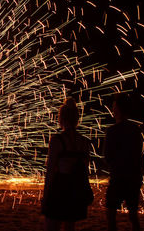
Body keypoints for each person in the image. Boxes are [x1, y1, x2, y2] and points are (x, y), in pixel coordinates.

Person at [42, 98, 92, 231]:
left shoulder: (57, 141)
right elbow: (84, 169)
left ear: (61, 118)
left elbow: (50, 171)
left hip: (60, 187)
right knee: (70, 226)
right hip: (75, 189)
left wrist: (45, 196)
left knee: (52, 226)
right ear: (77, 119)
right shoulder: (85, 142)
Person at [104, 94, 143, 231]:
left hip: (118, 178)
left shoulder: (112, 131)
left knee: (110, 213)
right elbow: (138, 155)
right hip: (133, 177)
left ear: (119, 109)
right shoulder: (135, 130)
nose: (112, 110)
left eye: (114, 107)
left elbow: (107, 156)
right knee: (133, 215)